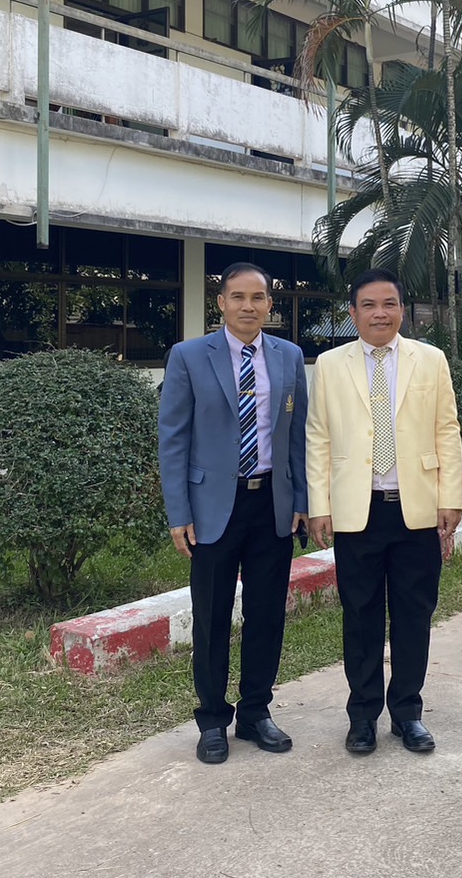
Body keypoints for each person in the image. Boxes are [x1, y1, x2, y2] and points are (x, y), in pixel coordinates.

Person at [306, 269, 462, 755]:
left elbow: (447, 429)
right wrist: (319, 505)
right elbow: (318, 436)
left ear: (402, 310)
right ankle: (362, 716)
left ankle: (407, 713)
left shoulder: (430, 360)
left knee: (415, 615)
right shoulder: (330, 364)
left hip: (416, 509)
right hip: (357, 511)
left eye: (389, 304)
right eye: (369, 305)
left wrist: (450, 498)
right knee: (361, 616)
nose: (380, 313)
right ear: (352, 313)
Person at [159, 262, 308, 765]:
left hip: (271, 503)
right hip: (212, 507)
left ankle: (256, 712)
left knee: (267, 614)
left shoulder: (288, 356)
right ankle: (212, 719)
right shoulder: (188, 356)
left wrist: (301, 500)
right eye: (238, 297)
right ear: (221, 302)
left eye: (258, 297)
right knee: (212, 616)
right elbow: (173, 439)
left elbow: (297, 436)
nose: (249, 306)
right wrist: (178, 511)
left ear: (270, 304)